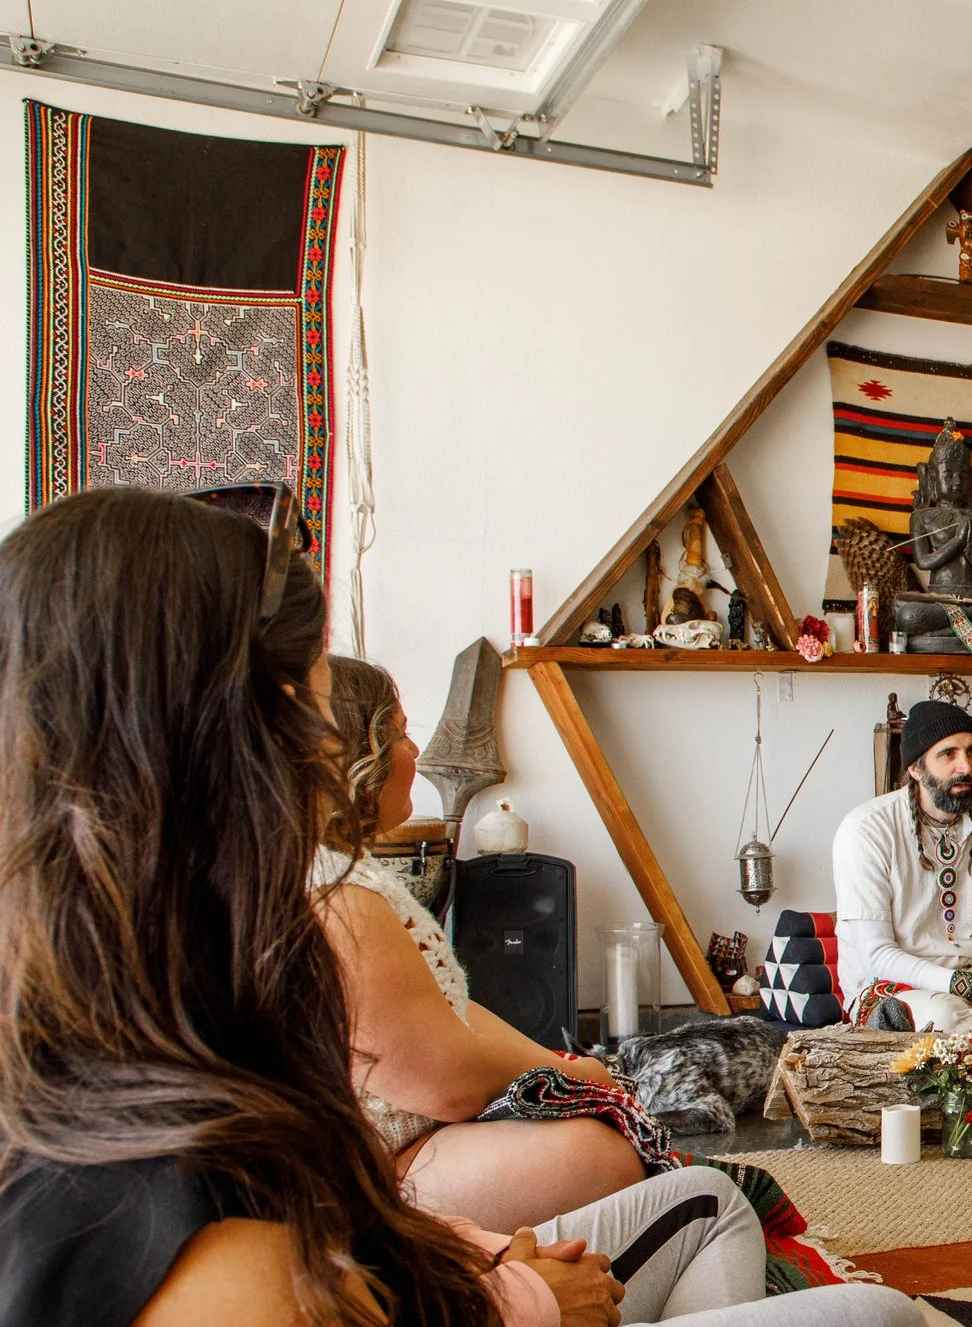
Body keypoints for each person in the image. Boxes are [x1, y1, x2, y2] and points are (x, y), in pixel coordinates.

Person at [0, 487, 919, 1326]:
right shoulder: (192, 1235)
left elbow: (362, 1230)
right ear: (231, 754)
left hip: (451, 1258)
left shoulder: (146, 1036)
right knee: (880, 1317)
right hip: (467, 1251)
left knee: (710, 1204)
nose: (323, 755)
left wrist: (485, 1257)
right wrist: (521, 1299)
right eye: (308, 716)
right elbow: (430, 1096)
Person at [316, 656, 648, 1231]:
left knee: (601, 1134)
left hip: (419, 1141)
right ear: (354, 755)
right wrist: (576, 1075)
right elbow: (442, 1080)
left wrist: (565, 1066)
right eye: (398, 732)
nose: (414, 750)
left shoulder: (349, 872)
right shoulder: (336, 894)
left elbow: (453, 1009)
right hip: (373, 1171)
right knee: (597, 1159)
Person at [835, 699, 972, 1032]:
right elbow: (877, 955)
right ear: (915, 768)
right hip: (890, 990)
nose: (965, 766)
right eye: (948, 754)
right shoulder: (867, 829)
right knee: (947, 1016)